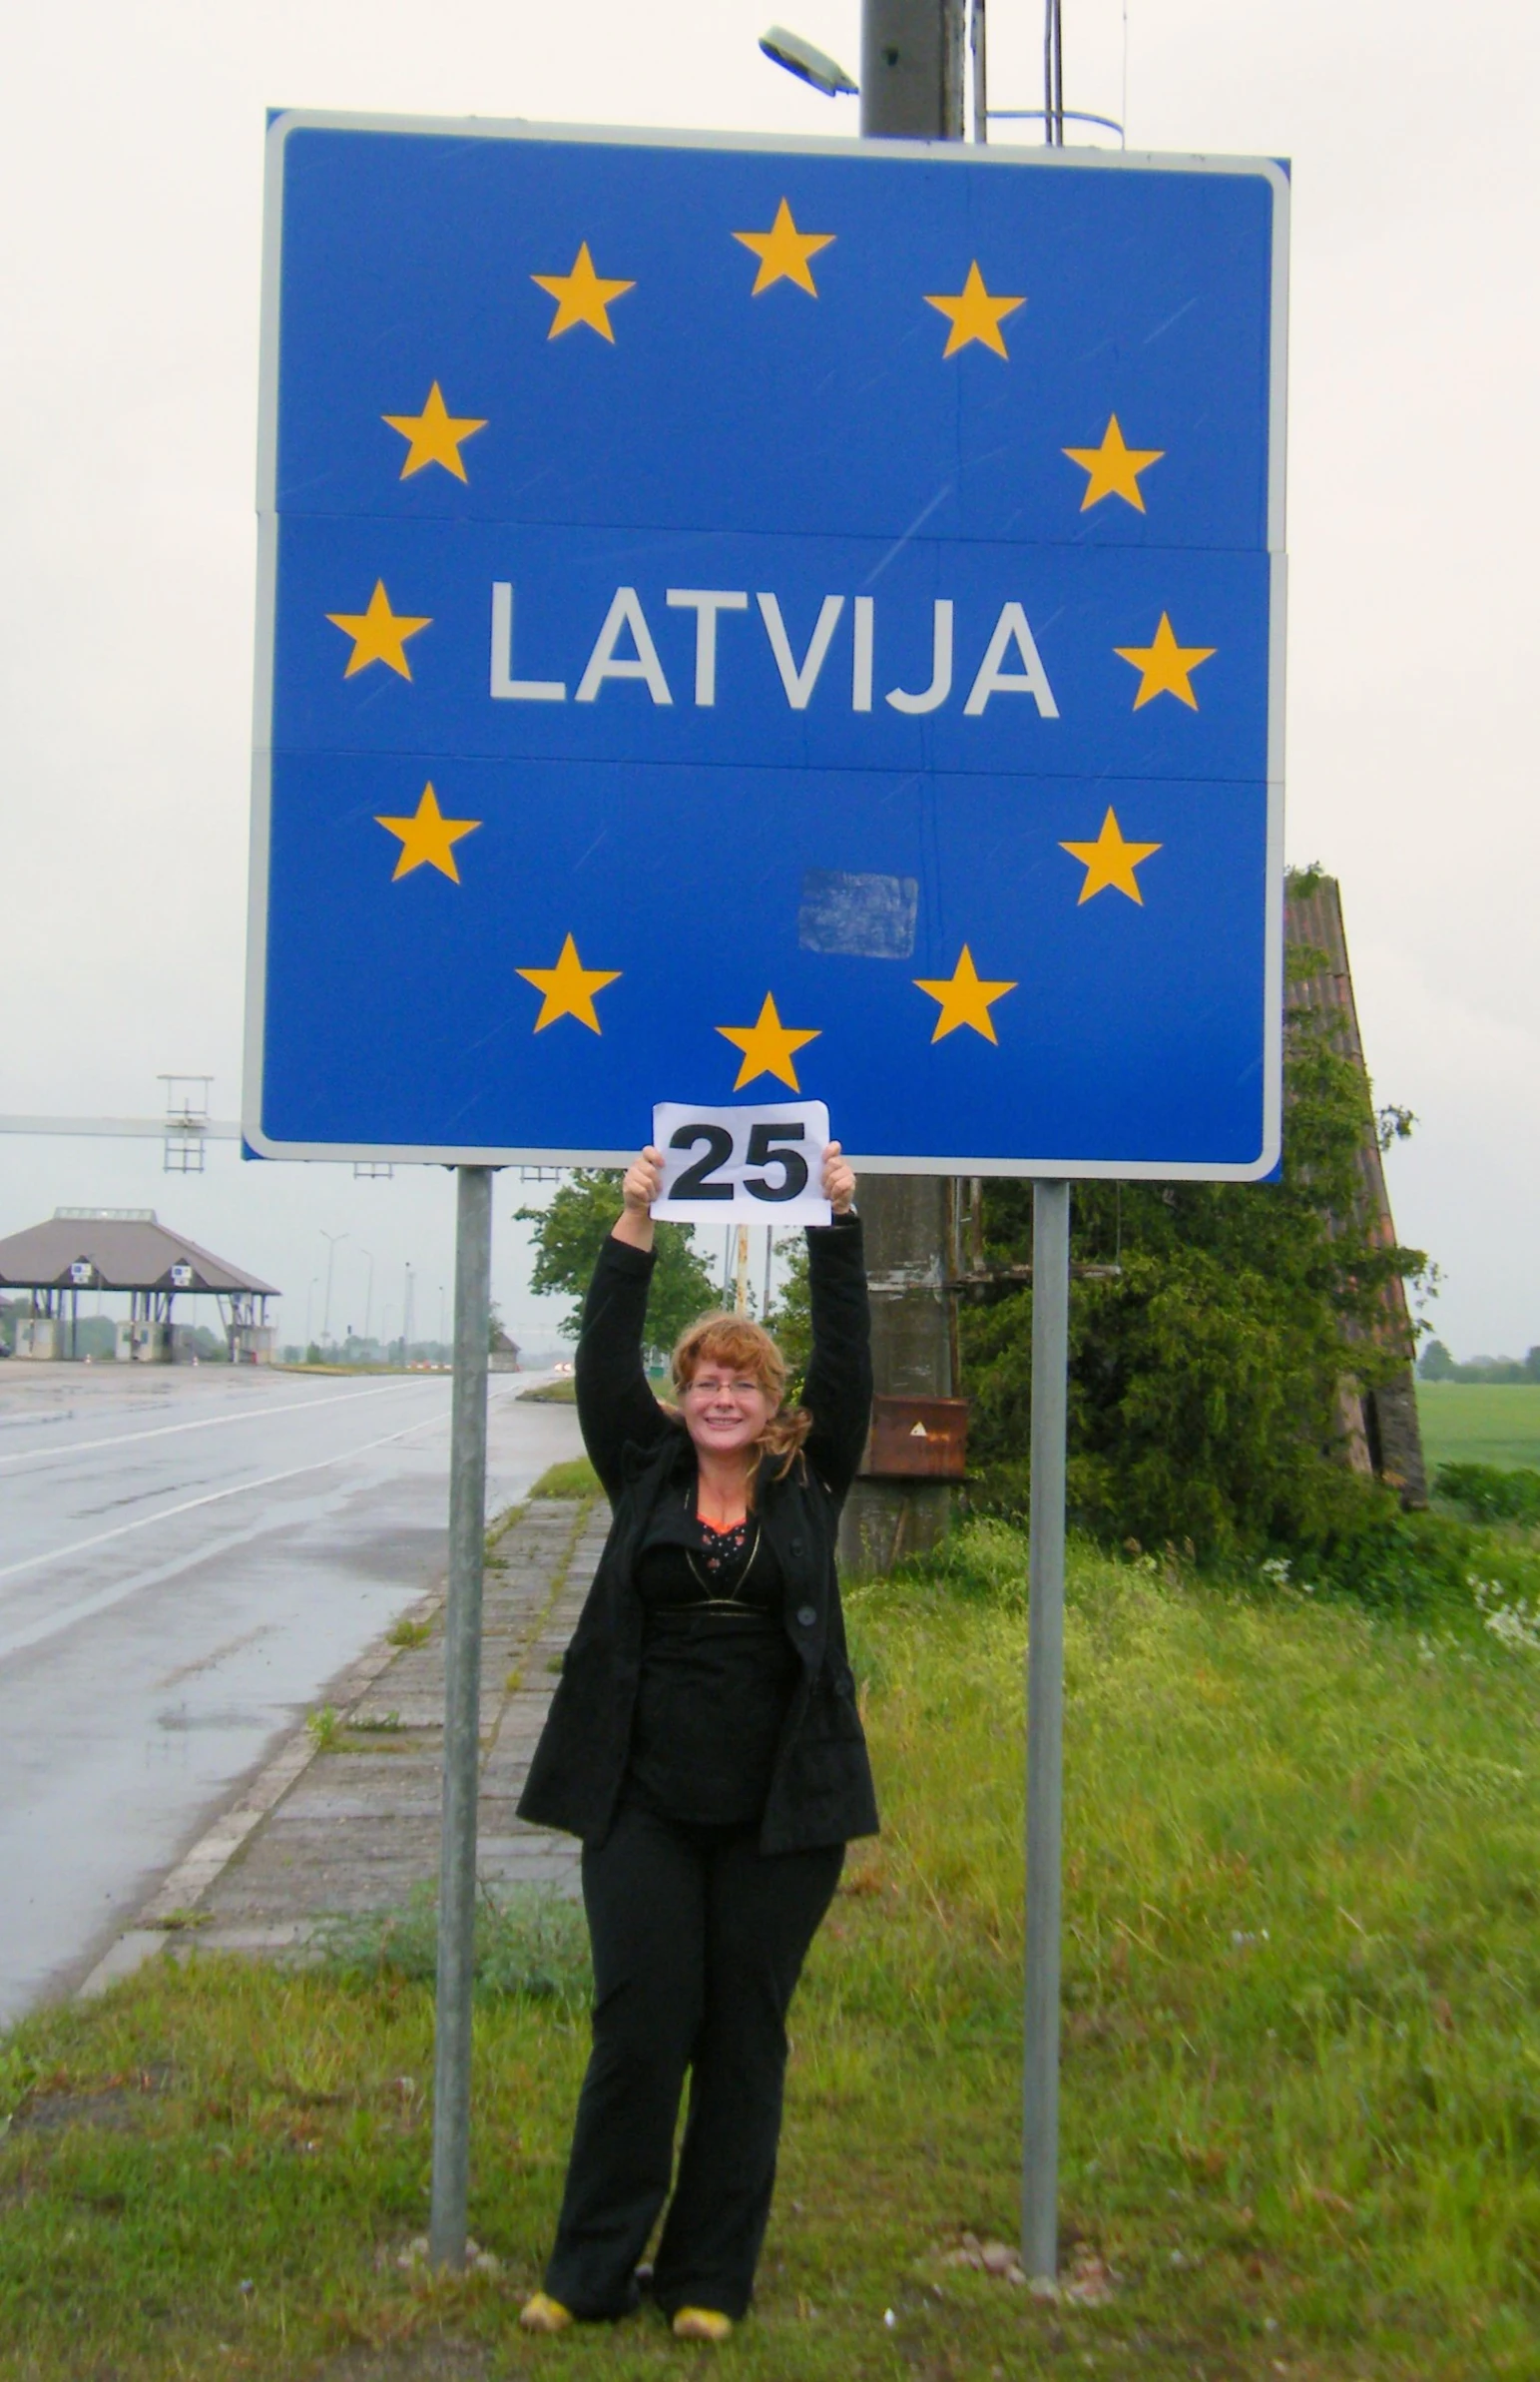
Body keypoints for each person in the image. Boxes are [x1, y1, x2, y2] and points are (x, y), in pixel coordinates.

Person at [517, 1140, 877, 2343]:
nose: (723, 1397)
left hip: (782, 1812)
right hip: (643, 1806)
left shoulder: (811, 1482)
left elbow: (853, 1354)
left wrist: (837, 1219)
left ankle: (709, 2278)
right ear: (682, 1396)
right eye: (704, 1380)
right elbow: (601, 1357)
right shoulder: (643, 1469)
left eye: (745, 1382)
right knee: (639, 2025)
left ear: (776, 1406)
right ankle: (587, 2270)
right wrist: (634, 1217)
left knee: (741, 2038)